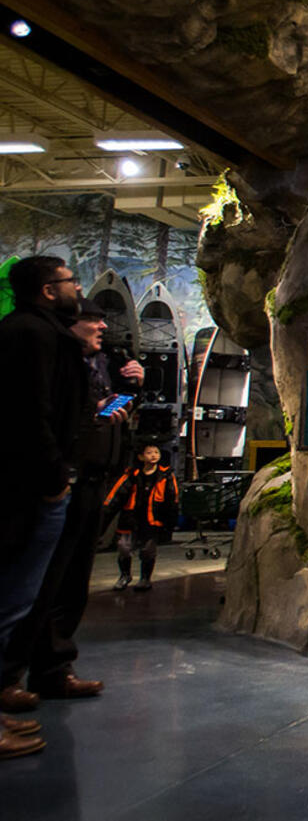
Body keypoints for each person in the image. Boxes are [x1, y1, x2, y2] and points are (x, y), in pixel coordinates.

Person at [1, 298, 140, 710]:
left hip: (93, 480)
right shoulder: (50, 360)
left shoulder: (101, 362)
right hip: (59, 483)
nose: (101, 326)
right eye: (91, 319)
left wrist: (131, 386)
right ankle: (11, 676)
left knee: (72, 580)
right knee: (33, 584)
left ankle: (53, 668)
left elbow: (106, 405)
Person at [0, 255, 88, 759]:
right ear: (48, 290)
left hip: (35, 484)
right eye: (69, 281)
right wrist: (54, 477)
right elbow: (28, 412)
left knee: (21, 598)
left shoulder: (41, 331)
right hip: (29, 487)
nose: (76, 287)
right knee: (10, 596)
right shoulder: (29, 335)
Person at [105, 444, 178, 592]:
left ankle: (145, 578)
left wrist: (170, 522)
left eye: (156, 452)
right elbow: (117, 494)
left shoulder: (166, 475)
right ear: (141, 456)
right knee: (124, 548)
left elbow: (173, 498)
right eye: (149, 452)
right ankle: (125, 575)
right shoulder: (132, 474)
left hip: (152, 519)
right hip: (130, 517)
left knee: (148, 550)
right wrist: (105, 513)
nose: (153, 455)